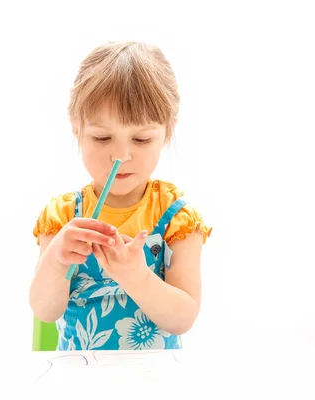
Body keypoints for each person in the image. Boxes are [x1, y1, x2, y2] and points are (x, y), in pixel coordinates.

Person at [29, 41, 212, 350]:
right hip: (80, 377)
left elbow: (183, 319)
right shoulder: (63, 216)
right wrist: (57, 259)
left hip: (154, 379)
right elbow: (45, 312)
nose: (121, 155)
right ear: (77, 129)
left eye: (141, 139)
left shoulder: (177, 217)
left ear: (167, 132)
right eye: (102, 137)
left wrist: (136, 276)